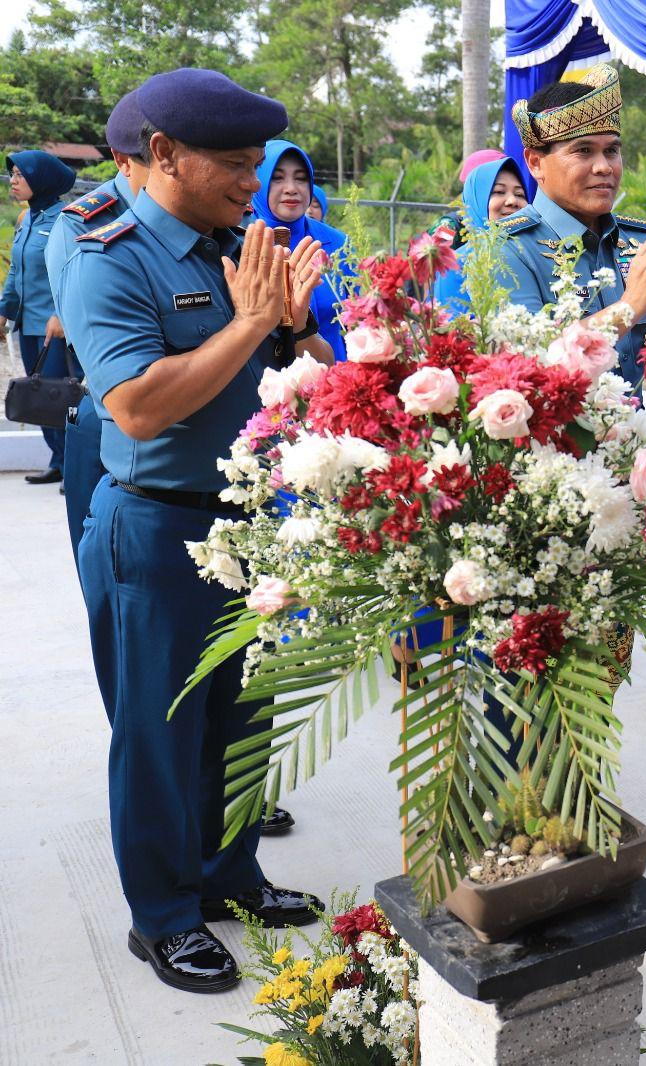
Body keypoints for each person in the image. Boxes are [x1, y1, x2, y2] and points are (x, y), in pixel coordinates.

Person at [58, 67, 329, 994]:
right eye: (232, 163)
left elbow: (284, 361)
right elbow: (135, 406)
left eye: (258, 163)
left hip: (253, 522)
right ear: (162, 153)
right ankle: (165, 916)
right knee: (160, 733)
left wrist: (285, 331)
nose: (252, 181)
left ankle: (228, 877)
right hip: (158, 527)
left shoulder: (234, 239)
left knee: (242, 717)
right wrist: (252, 323)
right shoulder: (104, 249)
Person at [500, 66, 646, 385]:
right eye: (583, 151)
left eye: (612, 150)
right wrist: (630, 306)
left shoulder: (638, 244)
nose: (604, 167)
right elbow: (532, 362)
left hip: (633, 434)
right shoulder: (509, 248)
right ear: (535, 163)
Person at [47, 92, 149, 561]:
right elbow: (89, 331)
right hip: (105, 407)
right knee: (105, 562)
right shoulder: (84, 223)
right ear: (123, 160)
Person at [2, 147, 76, 484]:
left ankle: (74, 465)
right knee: (37, 397)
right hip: (26, 323)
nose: (13, 181)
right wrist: (3, 311)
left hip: (56, 328)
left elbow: (75, 272)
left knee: (58, 397)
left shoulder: (67, 218)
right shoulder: (25, 218)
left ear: (42, 180)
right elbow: (16, 271)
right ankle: (59, 462)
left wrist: (61, 314)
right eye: (13, 175)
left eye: (21, 175)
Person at [250, 139, 352, 360]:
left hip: (334, 381)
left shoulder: (338, 244)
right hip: (266, 386)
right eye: (277, 178)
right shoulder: (241, 242)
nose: (291, 189)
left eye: (301, 179)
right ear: (258, 181)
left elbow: (361, 322)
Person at [433, 156, 528, 315]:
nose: (512, 201)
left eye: (520, 194)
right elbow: (433, 261)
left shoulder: (536, 253)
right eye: (498, 191)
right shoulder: (450, 227)